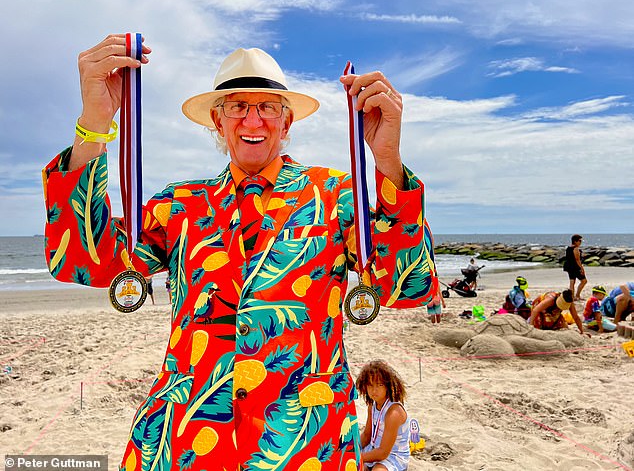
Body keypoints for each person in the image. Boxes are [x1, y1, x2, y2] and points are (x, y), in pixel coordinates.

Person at [41, 35, 436, 470]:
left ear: (286, 123)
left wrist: (388, 162)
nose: (254, 119)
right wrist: (94, 124)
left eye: (268, 106)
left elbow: (407, 287)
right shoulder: (180, 205)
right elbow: (83, 260)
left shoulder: (336, 196)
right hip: (188, 441)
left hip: (306, 441)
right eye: (238, 106)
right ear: (217, 120)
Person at [356, 360, 409, 471]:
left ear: (387, 386)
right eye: (370, 385)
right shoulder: (372, 405)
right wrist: (352, 449)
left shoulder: (394, 413)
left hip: (392, 456)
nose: (374, 390)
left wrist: (357, 457)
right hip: (374, 449)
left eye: (379, 385)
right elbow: (366, 435)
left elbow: (383, 452)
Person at [563, 234, 587, 301]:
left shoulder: (568, 248)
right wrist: (582, 268)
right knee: (584, 281)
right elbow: (577, 260)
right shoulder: (575, 249)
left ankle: (572, 297)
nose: (580, 242)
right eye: (579, 241)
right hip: (575, 267)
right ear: (575, 241)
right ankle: (577, 295)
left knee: (572, 282)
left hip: (569, 267)